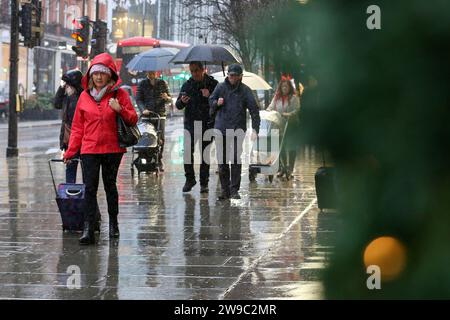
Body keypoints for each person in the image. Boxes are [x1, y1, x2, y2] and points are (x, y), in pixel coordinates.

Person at [64, 53, 138, 245]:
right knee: (90, 188)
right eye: (95, 73)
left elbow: (133, 119)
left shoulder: (119, 95)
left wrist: (119, 109)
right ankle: (89, 227)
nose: (98, 77)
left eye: (102, 73)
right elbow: (78, 127)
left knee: (110, 186)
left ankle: (113, 223)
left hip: (112, 149)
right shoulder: (84, 96)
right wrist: (71, 151)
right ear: (90, 75)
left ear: (110, 75)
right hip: (89, 149)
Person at [209, 64, 260, 200]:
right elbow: (211, 101)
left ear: (240, 76)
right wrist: (216, 103)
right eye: (230, 75)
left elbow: (254, 110)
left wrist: (255, 129)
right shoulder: (220, 87)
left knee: (236, 159)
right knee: (223, 161)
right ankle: (225, 190)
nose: (231, 77)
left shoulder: (245, 90)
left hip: (238, 129)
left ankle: (234, 190)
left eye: (234, 75)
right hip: (221, 129)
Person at [176, 61, 218, 193]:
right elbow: (178, 105)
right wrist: (181, 102)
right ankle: (190, 179)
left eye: (196, 70)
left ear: (203, 70)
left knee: (205, 154)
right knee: (187, 152)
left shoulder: (213, 84)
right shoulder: (187, 85)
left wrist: (209, 96)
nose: (194, 73)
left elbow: (220, 103)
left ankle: (204, 183)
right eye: (192, 71)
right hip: (191, 124)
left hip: (207, 124)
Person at [136, 71, 172, 171]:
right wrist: (143, 109)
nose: (151, 73)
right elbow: (138, 99)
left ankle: (159, 159)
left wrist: (167, 98)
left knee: (161, 138)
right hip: (147, 115)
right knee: (145, 138)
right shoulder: (142, 83)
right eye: (150, 72)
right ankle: (146, 158)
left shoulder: (162, 83)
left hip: (160, 115)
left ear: (156, 72)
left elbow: (170, 99)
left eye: (153, 72)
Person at [267, 76, 300, 180]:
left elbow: (297, 109)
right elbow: (271, 107)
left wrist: (289, 114)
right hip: (279, 125)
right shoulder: (276, 98)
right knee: (280, 147)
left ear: (289, 87)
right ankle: (283, 168)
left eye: (286, 86)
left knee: (291, 147)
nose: (284, 88)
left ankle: (290, 169)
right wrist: (268, 111)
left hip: (291, 125)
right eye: (283, 87)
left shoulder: (294, 98)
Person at [53, 69, 83, 183]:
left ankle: (86, 195)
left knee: (85, 168)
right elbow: (56, 104)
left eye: (68, 84)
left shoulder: (82, 96)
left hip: (81, 138)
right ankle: (71, 192)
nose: (67, 86)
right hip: (68, 137)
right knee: (70, 167)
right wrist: (61, 87)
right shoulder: (67, 96)